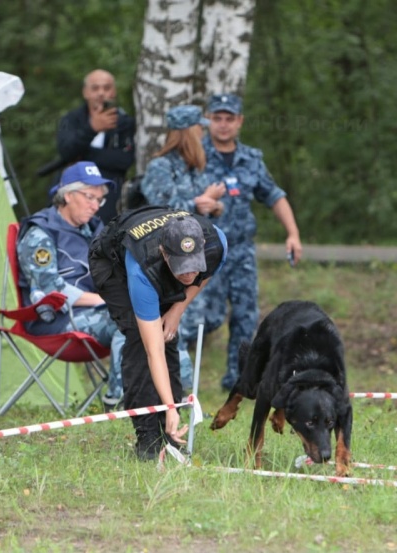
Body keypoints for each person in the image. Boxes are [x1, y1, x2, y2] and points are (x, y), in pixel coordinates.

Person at [88, 207, 228, 460]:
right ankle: (149, 437)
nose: (189, 274)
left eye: (193, 265)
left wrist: (178, 309)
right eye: (182, 267)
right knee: (141, 341)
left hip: (160, 261)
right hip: (113, 263)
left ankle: (169, 430)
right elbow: (154, 352)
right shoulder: (142, 270)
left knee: (168, 334)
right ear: (165, 253)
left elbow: (204, 275)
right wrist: (170, 406)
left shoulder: (216, 243)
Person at [197, 93, 303, 391]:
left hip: (241, 251)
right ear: (209, 121)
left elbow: (274, 195)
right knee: (210, 317)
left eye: (229, 118)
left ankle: (239, 381)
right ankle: (177, 366)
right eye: (217, 118)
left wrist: (292, 233)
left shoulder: (251, 159)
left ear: (240, 121)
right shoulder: (196, 156)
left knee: (246, 319)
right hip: (206, 251)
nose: (223, 125)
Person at [17, 161, 125, 408]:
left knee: (154, 313)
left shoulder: (92, 230)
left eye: (99, 200)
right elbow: (50, 288)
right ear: (67, 195)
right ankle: (120, 401)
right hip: (55, 321)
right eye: (89, 197)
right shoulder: (40, 233)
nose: (95, 205)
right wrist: (103, 300)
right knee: (129, 319)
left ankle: (175, 397)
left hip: (93, 314)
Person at [140, 104, 226, 390]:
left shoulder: (195, 169)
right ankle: (174, 390)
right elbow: (159, 213)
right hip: (169, 261)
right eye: (199, 129)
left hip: (196, 258)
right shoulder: (160, 167)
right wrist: (199, 203)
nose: (203, 135)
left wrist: (213, 206)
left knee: (204, 320)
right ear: (189, 132)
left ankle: (180, 388)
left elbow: (201, 210)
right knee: (173, 327)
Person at [49, 69, 136, 223]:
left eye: (107, 88)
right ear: (85, 92)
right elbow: (65, 151)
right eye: (95, 88)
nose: (101, 93)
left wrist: (83, 155)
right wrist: (92, 129)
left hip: (107, 193)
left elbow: (124, 160)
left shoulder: (124, 122)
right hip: (70, 190)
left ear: (114, 91)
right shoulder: (71, 119)